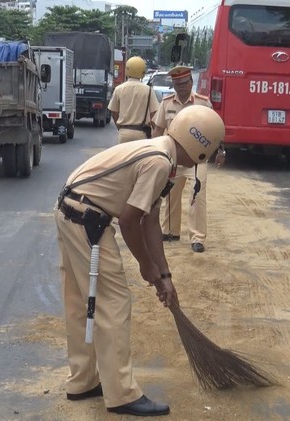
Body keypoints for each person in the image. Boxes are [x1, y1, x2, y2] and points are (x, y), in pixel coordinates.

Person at [54, 105, 224, 416]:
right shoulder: (160, 162)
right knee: (113, 302)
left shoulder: (161, 152)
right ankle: (121, 394)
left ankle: (83, 380)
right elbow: (131, 222)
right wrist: (147, 267)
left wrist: (165, 274)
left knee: (81, 301)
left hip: (71, 210)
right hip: (87, 220)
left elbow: (151, 220)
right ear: (202, 150)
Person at [152, 66, 225, 253]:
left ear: (191, 83)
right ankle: (170, 231)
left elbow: (214, 128)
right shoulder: (167, 103)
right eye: (177, 84)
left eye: (184, 84)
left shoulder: (202, 103)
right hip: (173, 158)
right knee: (170, 194)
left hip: (196, 159)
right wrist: (155, 152)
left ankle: (197, 237)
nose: (181, 88)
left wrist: (220, 151)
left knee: (198, 195)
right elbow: (158, 129)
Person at [108, 56, 159, 143]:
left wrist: (120, 127)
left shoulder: (119, 89)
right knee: (141, 157)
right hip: (142, 134)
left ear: (127, 70)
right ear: (143, 72)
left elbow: (113, 111)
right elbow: (154, 114)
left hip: (124, 133)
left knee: (124, 156)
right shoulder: (148, 90)